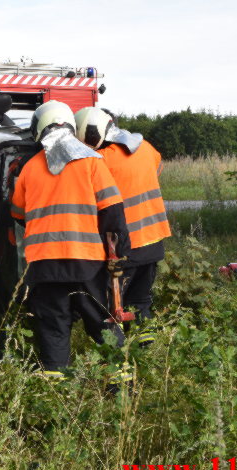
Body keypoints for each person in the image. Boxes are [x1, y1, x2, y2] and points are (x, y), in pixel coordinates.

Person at [10, 100, 130, 379]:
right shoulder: (91, 162)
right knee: (102, 322)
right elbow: (113, 212)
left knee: (52, 326)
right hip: (86, 261)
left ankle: (55, 389)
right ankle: (120, 383)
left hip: (43, 265)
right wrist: (120, 253)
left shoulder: (29, 167)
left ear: (38, 128)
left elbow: (18, 214)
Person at [74, 107, 171, 345]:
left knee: (107, 307)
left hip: (125, 247)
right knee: (140, 301)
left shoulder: (100, 160)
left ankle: (115, 356)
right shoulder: (146, 149)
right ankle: (145, 350)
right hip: (154, 240)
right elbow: (156, 170)